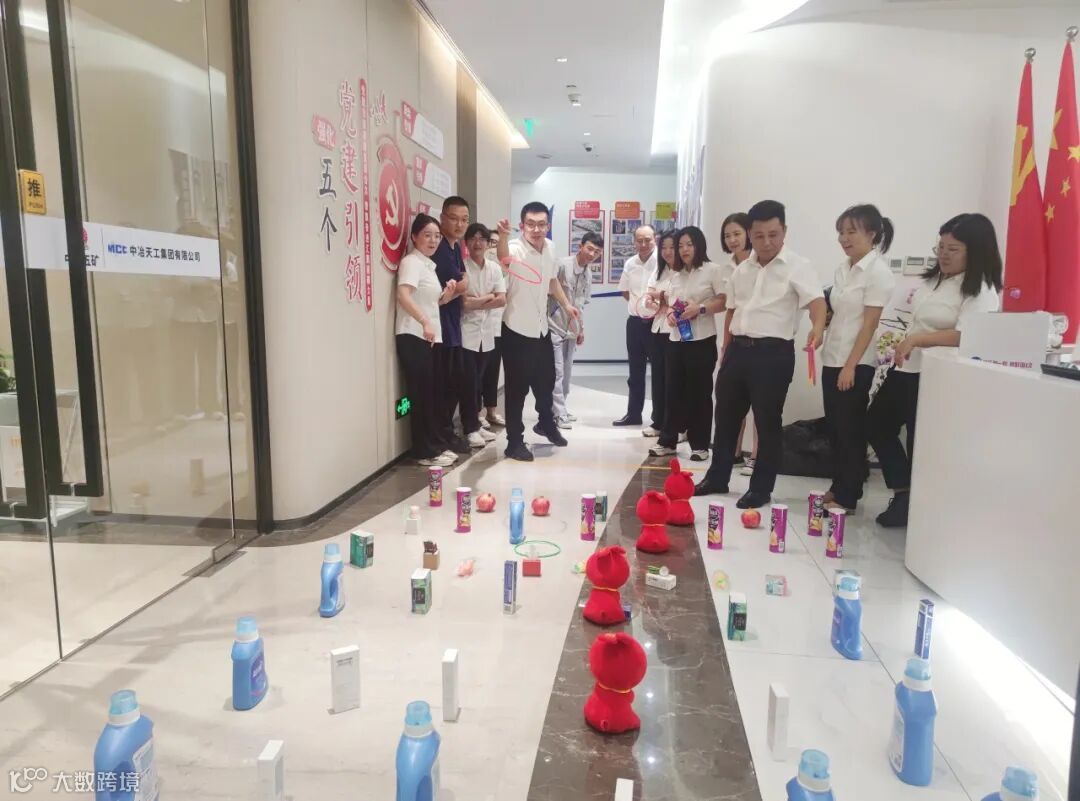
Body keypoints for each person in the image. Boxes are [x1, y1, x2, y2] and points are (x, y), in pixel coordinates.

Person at [868, 213, 1001, 527]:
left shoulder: (981, 290)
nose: (943, 254)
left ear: (976, 251)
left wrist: (919, 339)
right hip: (907, 369)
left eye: (953, 249)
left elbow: (968, 334)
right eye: (940, 247)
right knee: (875, 424)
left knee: (921, 442)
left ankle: (918, 508)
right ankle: (903, 491)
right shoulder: (935, 280)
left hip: (938, 376)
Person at [695, 200, 826, 508]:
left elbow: (817, 302)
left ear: (784, 231)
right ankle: (717, 477)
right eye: (759, 236)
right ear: (750, 235)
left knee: (767, 422)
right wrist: (726, 349)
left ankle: (760, 488)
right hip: (738, 351)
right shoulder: (742, 270)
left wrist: (818, 328)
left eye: (773, 235)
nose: (766, 242)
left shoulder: (798, 266)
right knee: (725, 418)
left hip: (773, 355)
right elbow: (732, 309)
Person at [821, 205, 897, 514]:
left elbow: (869, 324)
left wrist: (851, 365)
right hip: (832, 356)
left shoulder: (878, 273)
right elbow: (840, 312)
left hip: (855, 363)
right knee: (835, 429)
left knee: (850, 430)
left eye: (852, 231)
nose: (844, 238)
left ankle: (848, 494)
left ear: (872, 234)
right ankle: (839, 483)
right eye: (841, 232)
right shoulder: (844, 268)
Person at [496, 203, 581, 461]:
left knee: (546, 381)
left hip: (541, 328)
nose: (536, 229)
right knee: (517, 390)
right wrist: (502, 237)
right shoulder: (514, 248)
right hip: (516, 330)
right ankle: (514, 442)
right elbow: (503, 260)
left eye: (541, 224)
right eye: (531, 224)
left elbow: (552, 281)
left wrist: (566, 305)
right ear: (522, 226)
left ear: (548, 226)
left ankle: (545, 423)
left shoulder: (551, 248)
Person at [648, 226, 729, 461]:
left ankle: (700, 445)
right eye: (680, 246)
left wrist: (700, 309)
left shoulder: (713, 270)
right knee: (672, 392)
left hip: (701, 340)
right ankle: (668, 440)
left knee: (699, 394)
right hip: (676, 339)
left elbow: (723, 301)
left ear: (699, 245)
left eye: (689, 244)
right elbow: (672, 303)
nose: (684, 250)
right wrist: (671, 314)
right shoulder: (676, 274)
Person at [395, 214, 461, 467]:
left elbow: (431, 302)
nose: (433, 240)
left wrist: (447, 295)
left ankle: (435, 446)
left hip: (429, 337)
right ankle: (424, 451)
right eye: (427, 235)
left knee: (432, 394)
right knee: (421, 395)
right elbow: (403, 295)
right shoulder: (411, 262)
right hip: (413, 335)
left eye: (436, 236)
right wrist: (424, 321)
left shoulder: (428, 266)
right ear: (414, 237)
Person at [431, 196, 476, 450]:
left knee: (454, 383)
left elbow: (462, 283)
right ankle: (443, 436)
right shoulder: (438, 249)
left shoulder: (455, 248)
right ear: (442, 218)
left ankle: (448, 433)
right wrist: (462, 284)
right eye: (454, 218)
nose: (460, 225)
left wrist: (461, 284)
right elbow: (458, 285)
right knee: (445, 386)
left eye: (464, 220)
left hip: (452, 326)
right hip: (440, 329)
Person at [461, 222, 505, 445]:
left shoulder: (494, 268)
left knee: (479, 380)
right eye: (473, 238)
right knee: (468, 383)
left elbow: (502, 299)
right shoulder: (462, 267)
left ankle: (476, 425)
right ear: (466, 243)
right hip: (466, 334)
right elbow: (463, 304)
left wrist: (476, 301)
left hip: (486, 333)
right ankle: (470, 428)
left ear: (488, 244)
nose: (477, 243)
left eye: (482, 239)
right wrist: (487, 298)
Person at [550, 231, 600, 428]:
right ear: (581, 246)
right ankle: (558, 413)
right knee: (557, 371)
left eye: (597, 252)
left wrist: (581, 329)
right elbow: (550, 290)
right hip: (554, 325)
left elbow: (581, 305)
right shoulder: (562, 265)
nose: (592, 254)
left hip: (572, 329)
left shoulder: (588, 274)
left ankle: (561, 408)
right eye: (590, 249)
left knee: (567, 371)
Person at [721, 212, 759, 475]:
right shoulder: (727, 268)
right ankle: (733, 452)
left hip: (762, 344)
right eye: (727, 235)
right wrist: (726, 346)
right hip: (736, 340)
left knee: (760, 406)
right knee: (732, 402)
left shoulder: (761, 263)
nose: (732, 240)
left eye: (737, 233)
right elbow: (730, 309)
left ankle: (756, 455)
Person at [613, 225, 657, 427]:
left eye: (648, 239)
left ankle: (658, 417)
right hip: (634, 323)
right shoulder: (630, 263)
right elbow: (625, 291)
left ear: (655, 239)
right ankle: (633, 414)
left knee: (659, 372)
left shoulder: (662, 262)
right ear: (634, 242)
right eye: (639, 240)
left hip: (656, 323)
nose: (644, 244)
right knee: (635, 371)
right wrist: (638, 307)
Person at [641, 230, 679, 438]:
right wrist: (657, 299)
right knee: (658, 378)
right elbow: (648, 297)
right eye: (663, 247)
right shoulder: (659, 271)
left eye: (672, 247)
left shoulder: (684, 272)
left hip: (676, 332)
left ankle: (677, 426)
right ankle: (658, 421)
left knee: (674, 381)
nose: (667, 252)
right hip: (657, 329)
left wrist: (661, 296)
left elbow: (678, 298)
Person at [479, 229, 506, 428]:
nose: (493, 247)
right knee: (479, 372)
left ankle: (491, 411)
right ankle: (477, 413)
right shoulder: (481, 268)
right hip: (480, 327)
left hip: (499, 328)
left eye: (498, 244)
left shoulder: (506, 270)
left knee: (493, 371)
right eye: (491, 242)